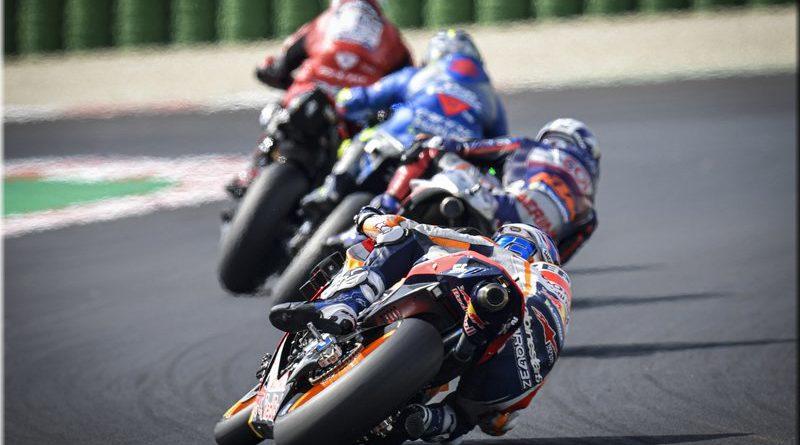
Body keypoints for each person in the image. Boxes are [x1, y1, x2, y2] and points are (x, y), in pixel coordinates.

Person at [270, 208, 572, 443]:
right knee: (472, 416)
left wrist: (367, 219)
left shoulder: (488, 249)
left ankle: (347, 304)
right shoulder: (554, 303)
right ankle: (439, 421)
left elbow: (407, 228)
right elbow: (500, 425)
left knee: (404, 236)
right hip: (502, 354)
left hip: (471, 298)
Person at [299, 28, 508, 217]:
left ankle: (332, 188)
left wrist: (343, 97)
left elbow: (361, 99)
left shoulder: (418, 75)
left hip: (399, 137)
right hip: (447, 165)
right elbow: (498, 149)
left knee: (366, 135)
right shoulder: (492, 99)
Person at [228, 0, 412, 197]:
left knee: (282, 111)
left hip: (312, 97)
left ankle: (252, 172)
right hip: (352, 109)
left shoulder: (323, 22)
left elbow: (279, 65)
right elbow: (407, 87)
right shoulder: (393, 37)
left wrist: (272, 72)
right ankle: (343, 190)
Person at [373, 118, 600, 264]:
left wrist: (436, 141)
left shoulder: (528, 146)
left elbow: (464, 147)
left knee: (429, 147)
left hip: (500, 207)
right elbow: (557, 262)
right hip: (526, 247)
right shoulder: (588, 215)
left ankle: (384, 210)